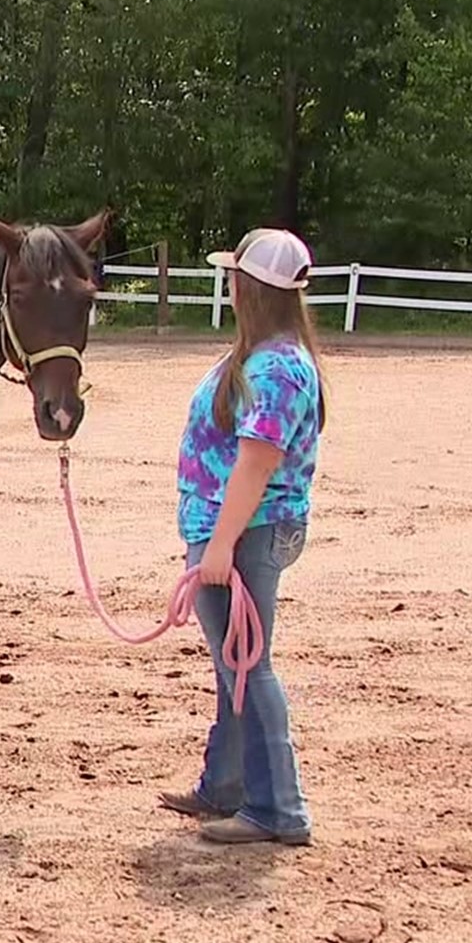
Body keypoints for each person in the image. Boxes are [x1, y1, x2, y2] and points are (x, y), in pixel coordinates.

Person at [162, 227, 325, 845]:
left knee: (248, 666)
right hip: (233, 529)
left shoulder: (278, 368)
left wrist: (222, 546)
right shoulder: (265, 355)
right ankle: (227, 785)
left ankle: (278, 809)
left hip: (245, 532)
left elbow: (257, 464)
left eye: (234, 278)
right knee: (236, 664)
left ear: (248, 287)